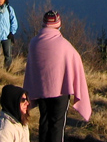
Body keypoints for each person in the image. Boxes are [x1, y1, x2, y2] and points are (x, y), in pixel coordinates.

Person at [23, 11, 91, 142]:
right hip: (61, 91)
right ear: (58, 25)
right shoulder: (64, 45)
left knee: (44, 121)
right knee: (57, 125)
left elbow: (31, 68)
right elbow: (76, 61)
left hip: (40, 90)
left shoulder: (34, 43)